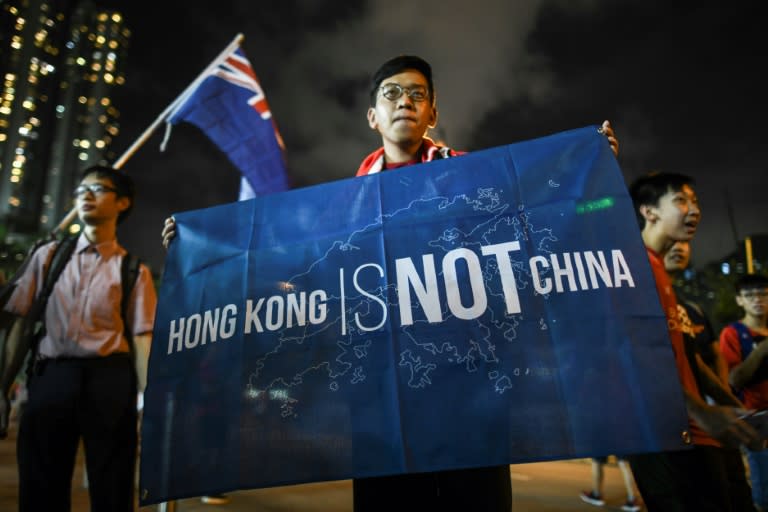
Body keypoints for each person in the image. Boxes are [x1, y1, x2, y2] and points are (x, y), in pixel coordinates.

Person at [161, 54, 619, 511]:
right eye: (393, 93)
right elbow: (293, 263)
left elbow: (538, 217)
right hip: (382, 391)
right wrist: (203, 248)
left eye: (418, 95)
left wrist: (587, 169)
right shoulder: (344, 205)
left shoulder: (478, 178)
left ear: (433, 114)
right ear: (373, 116)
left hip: (471, 386)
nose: (406, 102)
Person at [1, 165, 157, 511]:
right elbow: (21, 325)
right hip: (52, 375)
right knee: (41, 480)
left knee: (111, 482)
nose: (85, 196)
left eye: (98, 189)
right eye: (80, 190)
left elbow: (142, 337)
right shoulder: (48, 256)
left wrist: (151, 402)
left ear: (122, 203)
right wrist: (3, 387)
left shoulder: (134, 270)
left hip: (110, 380)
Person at [625, 171, 761, 511]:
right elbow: (640, 355)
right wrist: (702, 412)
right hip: (663, 434)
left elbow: (689, 358)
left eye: (696, 202)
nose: (695, 210)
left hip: (695, 432)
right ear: (649, 211)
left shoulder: (660, 274)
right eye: (681, 201)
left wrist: (732, 408)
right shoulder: (632, 268)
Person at [665, 240, 757, 511]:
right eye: (670, 243)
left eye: (683, 243)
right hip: (688, 424)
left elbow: (709, 356)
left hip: (717, 416)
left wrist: (725, 403)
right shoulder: (649, 300)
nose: (678, 248)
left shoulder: (693, 309)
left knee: (737, 488)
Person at [720, 273, 768, 511]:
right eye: (749, 295)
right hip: (757, 420)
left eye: (762, 293)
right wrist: (762, 350)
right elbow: (733, 379)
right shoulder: (733, 334)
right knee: (765, 489)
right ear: (739, 300)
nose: (757, 299)